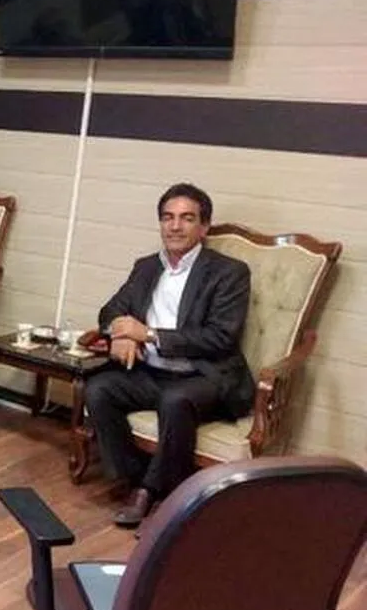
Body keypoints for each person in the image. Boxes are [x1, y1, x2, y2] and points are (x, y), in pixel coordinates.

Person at [84, 183, 254, 528]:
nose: (175, 226)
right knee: (99, 388)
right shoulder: (146, 267)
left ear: (204, 227)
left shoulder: (229, 272)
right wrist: (120, 332)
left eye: (187, 218)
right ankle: (136, 478)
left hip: (205, 375)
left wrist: (147, 334)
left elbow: (220, 337)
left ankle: (154, 493)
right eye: (167, 217)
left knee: (175, 399)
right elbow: (110, 310)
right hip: (152, 371)